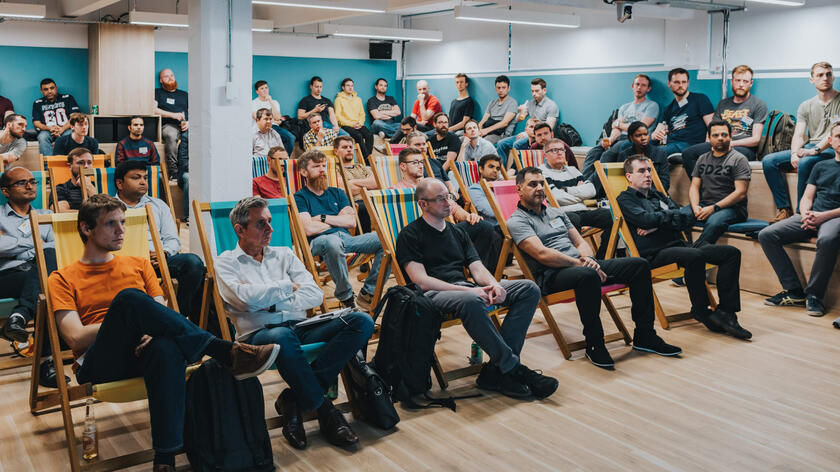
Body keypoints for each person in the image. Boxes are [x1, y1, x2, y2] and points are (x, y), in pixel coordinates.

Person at [49, 193, 280, 472]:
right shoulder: (61, 277)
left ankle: (165, 460)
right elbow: (74, 336)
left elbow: (161, 315)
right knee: (129, 300)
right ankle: (224, 350)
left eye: (123, 222)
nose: (122, 230)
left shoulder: (139, 263)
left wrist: (144, 325)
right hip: (100, 362)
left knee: (165, 347)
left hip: (143, 353)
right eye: (111, 224)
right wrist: (128, 322)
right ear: (86, 229)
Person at [214, 196, 373, 449]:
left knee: (361, 321)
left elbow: (314, 294)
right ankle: (326, 411)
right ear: (239, 230)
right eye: (261, 224)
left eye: (270, 221)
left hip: (299, 328)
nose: (270, 229)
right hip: (258, 335)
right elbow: (244, 301)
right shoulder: (225, 262)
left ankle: (294, 399)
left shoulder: (284, 255)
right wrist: (288, 287)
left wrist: (266, 298)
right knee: (280, 336)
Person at [396, 177, 557, 399]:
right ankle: (514, 369)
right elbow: (421, 281)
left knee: (528, 288)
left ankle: (496, 372)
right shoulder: (410, 234)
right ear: (423, 204)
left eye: (449, 197)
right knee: (472, 301)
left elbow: (477, 268)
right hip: (432, 295)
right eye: (440, 199)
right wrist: (470, 291)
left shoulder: (457, 232)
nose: (448, 203)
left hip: (464, 289)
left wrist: (493, 284)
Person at [508, 167, 682, 369]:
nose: (539, 188)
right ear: (519, 190)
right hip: (552, 274)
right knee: (587, 276)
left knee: (639, 265)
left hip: (580, 265)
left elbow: (580, 242)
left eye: (541, 183)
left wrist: (588, 259)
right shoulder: (517, 221)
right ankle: (595, 344)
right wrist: (582, 263)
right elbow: (542, 254)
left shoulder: (557, 213)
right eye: (533, 184)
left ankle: (645, 335)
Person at [616, 155, 752, 339]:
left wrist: (657, 223)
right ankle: (701, 310)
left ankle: (727, 312)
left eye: (649, 170)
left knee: (730, 253)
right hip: (655, 255)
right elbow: (645, 220)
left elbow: (685, 218)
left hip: (680, 247)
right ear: (629, 176)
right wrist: (667, 217)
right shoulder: (625, 199)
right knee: (693, 256)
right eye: (641, 171)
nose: (647, 174)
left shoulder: (659, 195)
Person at [759, 122, 840, 318]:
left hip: (834, 217)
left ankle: (814, 295)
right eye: (838, 136)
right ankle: (794, 291)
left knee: (828, 239)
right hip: (812, 215)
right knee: (766, 235)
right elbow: (807, 197)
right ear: (830, 140)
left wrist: (822, 216)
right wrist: (805, 213)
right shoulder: (821, 165)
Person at [294, 150, 387, 310]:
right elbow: (308, 229)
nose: (323, 169)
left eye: (324, 165)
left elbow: (351, 222)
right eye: (316, 166)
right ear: (304, 172)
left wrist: (322, 218)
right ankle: (346, 296)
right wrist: (338, 221)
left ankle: (369, 292)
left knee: (385, 240)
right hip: (318, 242)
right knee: (333, 241)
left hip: (346, 240)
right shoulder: (300, 197)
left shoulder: (337, 192)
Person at [114, 160, 206, 320]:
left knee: (194, 264)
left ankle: (178, 315)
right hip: (123, 265)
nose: (143, 181)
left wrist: (163, 252)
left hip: (158, 261)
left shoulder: (158, 205)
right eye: (136, 178)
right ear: (120, 183)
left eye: (145, 177)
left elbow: (172, 239)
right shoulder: (109, 208)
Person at [0, 166, 64, 388]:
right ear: (5, 191)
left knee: (46, 282)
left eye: (32, 181)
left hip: (36, 274)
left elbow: (58, 245)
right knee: (47, 274)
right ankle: (46, 365)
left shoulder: (45, 215)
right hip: (7, 276)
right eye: (21, 182)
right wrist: (37, 242)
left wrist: (12, 243)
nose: (29, 185)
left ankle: (20, 315)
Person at [395, 147, 503, 273]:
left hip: (446, 230)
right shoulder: (395, 192)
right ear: (403, 166)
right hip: (421, 235)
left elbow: (454, 207)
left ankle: (481, 274)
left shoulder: (432, 186)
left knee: (484, 226)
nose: (420, 166)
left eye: (421, 162)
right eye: (415, 163)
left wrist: (468, 216)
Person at [762, 61, 839, 222]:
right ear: (812, 80)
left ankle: (800, 214)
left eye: (828, 74)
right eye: (820, 75)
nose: (825, 78)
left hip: (832, 148)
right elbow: (798, 134)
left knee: (805, 162)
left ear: (833, 77)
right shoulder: (806, 105)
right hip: (810, 147)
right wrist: (794, 153)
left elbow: (833, 134)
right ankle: (784, 208)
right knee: (769, 161)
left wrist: (814, 151)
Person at [681, 65, 768, 176]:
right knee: (688, 153)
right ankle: (701, 190)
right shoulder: (723, 104)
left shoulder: (758, 104)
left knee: (721, 155)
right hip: (719, 143)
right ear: (732, 82)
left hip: (743, 148)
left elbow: (755, 139)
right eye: (738, 80)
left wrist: (730, 143)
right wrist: (709, 143)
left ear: (751, 83)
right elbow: (712, 130)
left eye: (745, 81)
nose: (741, 84)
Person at [539, 138, 612, 258]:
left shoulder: (573, 170)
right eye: (554, 150)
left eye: (562, 150)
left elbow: (591, 190)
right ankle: (578, 262)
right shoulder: (542, 172)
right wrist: (580, 195)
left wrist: (567, 190)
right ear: (545, 155)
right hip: (562, 214)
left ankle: (602, 258)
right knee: (573, 219)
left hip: (584, 210)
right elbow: (556, 198)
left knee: (612, 216)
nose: (559, 153)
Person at [582, 74, 658, 180]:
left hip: (634, 140)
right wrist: (610, 139)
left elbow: (639, 128)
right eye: (637, 84)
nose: (639, 87)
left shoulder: (652, 106)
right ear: (633, 86)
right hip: (619, 138)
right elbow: (616, 128)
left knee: (607, 155)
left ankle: (595, 187)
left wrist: (619, 124)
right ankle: (583, 182)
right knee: (594, 151)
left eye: (643, 85)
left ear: (648, 88)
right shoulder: (624, 107)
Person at [689, 120, 751, 245]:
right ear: (709, 138)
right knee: (679, 215)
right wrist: (695, 206)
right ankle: (679, 250)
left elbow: (741, 193)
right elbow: (694, 187)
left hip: (733, 209)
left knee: (714, 221)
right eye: (716, 135)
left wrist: (714, 208)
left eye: (724, 135)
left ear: (730, 136)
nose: (720, 138)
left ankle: (694, 254)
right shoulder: (702, 158)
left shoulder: (739, 159)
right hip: (705, 203)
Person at [651, 68, 714, 157]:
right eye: (676, 82)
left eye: (684, 82)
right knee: (638, 147)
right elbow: (658, 130)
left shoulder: (700, 99)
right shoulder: (668, 109)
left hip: (690, 143)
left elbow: (712, 125)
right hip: (671, 142)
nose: (681, 85)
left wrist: (706, 146)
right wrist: (655, 135)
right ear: (669, 84)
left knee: (657, 152)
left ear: (688, 83)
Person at [600, 121, 670, 192]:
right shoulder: (624, 155)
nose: (643, 138)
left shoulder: (660, 153)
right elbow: (622, 181)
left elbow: (665, 183)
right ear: (631, 138)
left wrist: (649, 193)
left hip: (655, 194)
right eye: (638, 135)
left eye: (646, 134)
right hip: (632, 195)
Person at [334, 136, 377, 232]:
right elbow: (345, 190)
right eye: (344, 147)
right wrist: (367, 185)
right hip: (355, 203)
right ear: (336, 151)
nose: (349, 150)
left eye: (350, 147)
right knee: (363, 207)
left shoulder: (361, 167)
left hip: (373, 199)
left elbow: (376, 183)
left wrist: (353, 182)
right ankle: (366, 242)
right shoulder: (335, 169)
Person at [154, 68, 189, 178]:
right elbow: (153, 109)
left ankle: (190, 168)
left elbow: (193, 112)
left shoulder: (184, 94)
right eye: (166, 76)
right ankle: (173, 171)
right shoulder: (157, 92)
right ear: (161, 80)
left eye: (172, 75)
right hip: (168, 125)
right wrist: (173, 115)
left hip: (184, 125)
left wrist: (189, 122)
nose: (170, 78)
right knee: (171, 135)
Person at [32, 78, 79, 156]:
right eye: (46, 89)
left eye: (52, 88)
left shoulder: (67, 98)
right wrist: (50, 128)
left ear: (56, 88)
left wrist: (62, 129)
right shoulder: (38, 103)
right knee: (42, 137)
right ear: (42, 91)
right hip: (47, 130)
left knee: (70, 135)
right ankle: (48, 166)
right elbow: (36, 123)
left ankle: (69, 162)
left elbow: (74, 117)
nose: (49, 91)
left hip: (66, 128)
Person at [406, 130, 458, 195]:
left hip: (446, 196)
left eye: (424, 144)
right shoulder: (409, 165)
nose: (422, 147)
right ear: (408, 147)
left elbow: (449, 183)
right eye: (417, 145)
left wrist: (453, 193)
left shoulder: (435, 162)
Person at [334, 78, 374, 159]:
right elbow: (338, 116)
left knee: (369, 135)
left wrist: (360, 123)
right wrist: (351, 124)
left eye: (352, 85)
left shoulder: (358, 99)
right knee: (358, 136)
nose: (350, 87)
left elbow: (362, 114)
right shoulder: (339, 100)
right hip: (345, 125)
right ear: (343, 87)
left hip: (358, 124)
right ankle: (367, 159)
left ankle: (368, 157)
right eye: (348, 85)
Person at [252, 80, 296, 153]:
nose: (265, 90)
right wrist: (274, 120)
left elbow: (278, 117)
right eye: (262, 88)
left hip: (274, 127)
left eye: (266, 88)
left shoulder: (274, 102)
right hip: (261, 127)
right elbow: (257, 117)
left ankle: (283, 160)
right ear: (257, 91)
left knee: (291, 138)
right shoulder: (253, 103)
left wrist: (270, 101)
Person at [54, 147, 96, 212]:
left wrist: (89, 187)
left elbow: (107, 212)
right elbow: (60, 211)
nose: (86, 166)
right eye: (81, 163)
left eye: (89, 162)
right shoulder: (60, 189)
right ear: (70, 166)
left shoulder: (99, 185)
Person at [478, 75, 517, 145]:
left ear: (508, 88)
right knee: (465, 138)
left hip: (501, 135)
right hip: (488, 131)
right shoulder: (492, 103)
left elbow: (504, 123)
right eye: (498, 88)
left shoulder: (512, 103)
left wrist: (486, 130)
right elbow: (482, 121)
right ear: (496, 89)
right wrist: (479, 131)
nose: (501, 90)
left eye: (503, 87)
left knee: (483, 142)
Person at [467, 153, 503, 226]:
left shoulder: (501, 187)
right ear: (480, 169)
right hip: (495, 227)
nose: (495, 170)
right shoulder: (475, 189)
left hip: (510, 225)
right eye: (491, 167)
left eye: (498, 168)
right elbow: (492, 211)